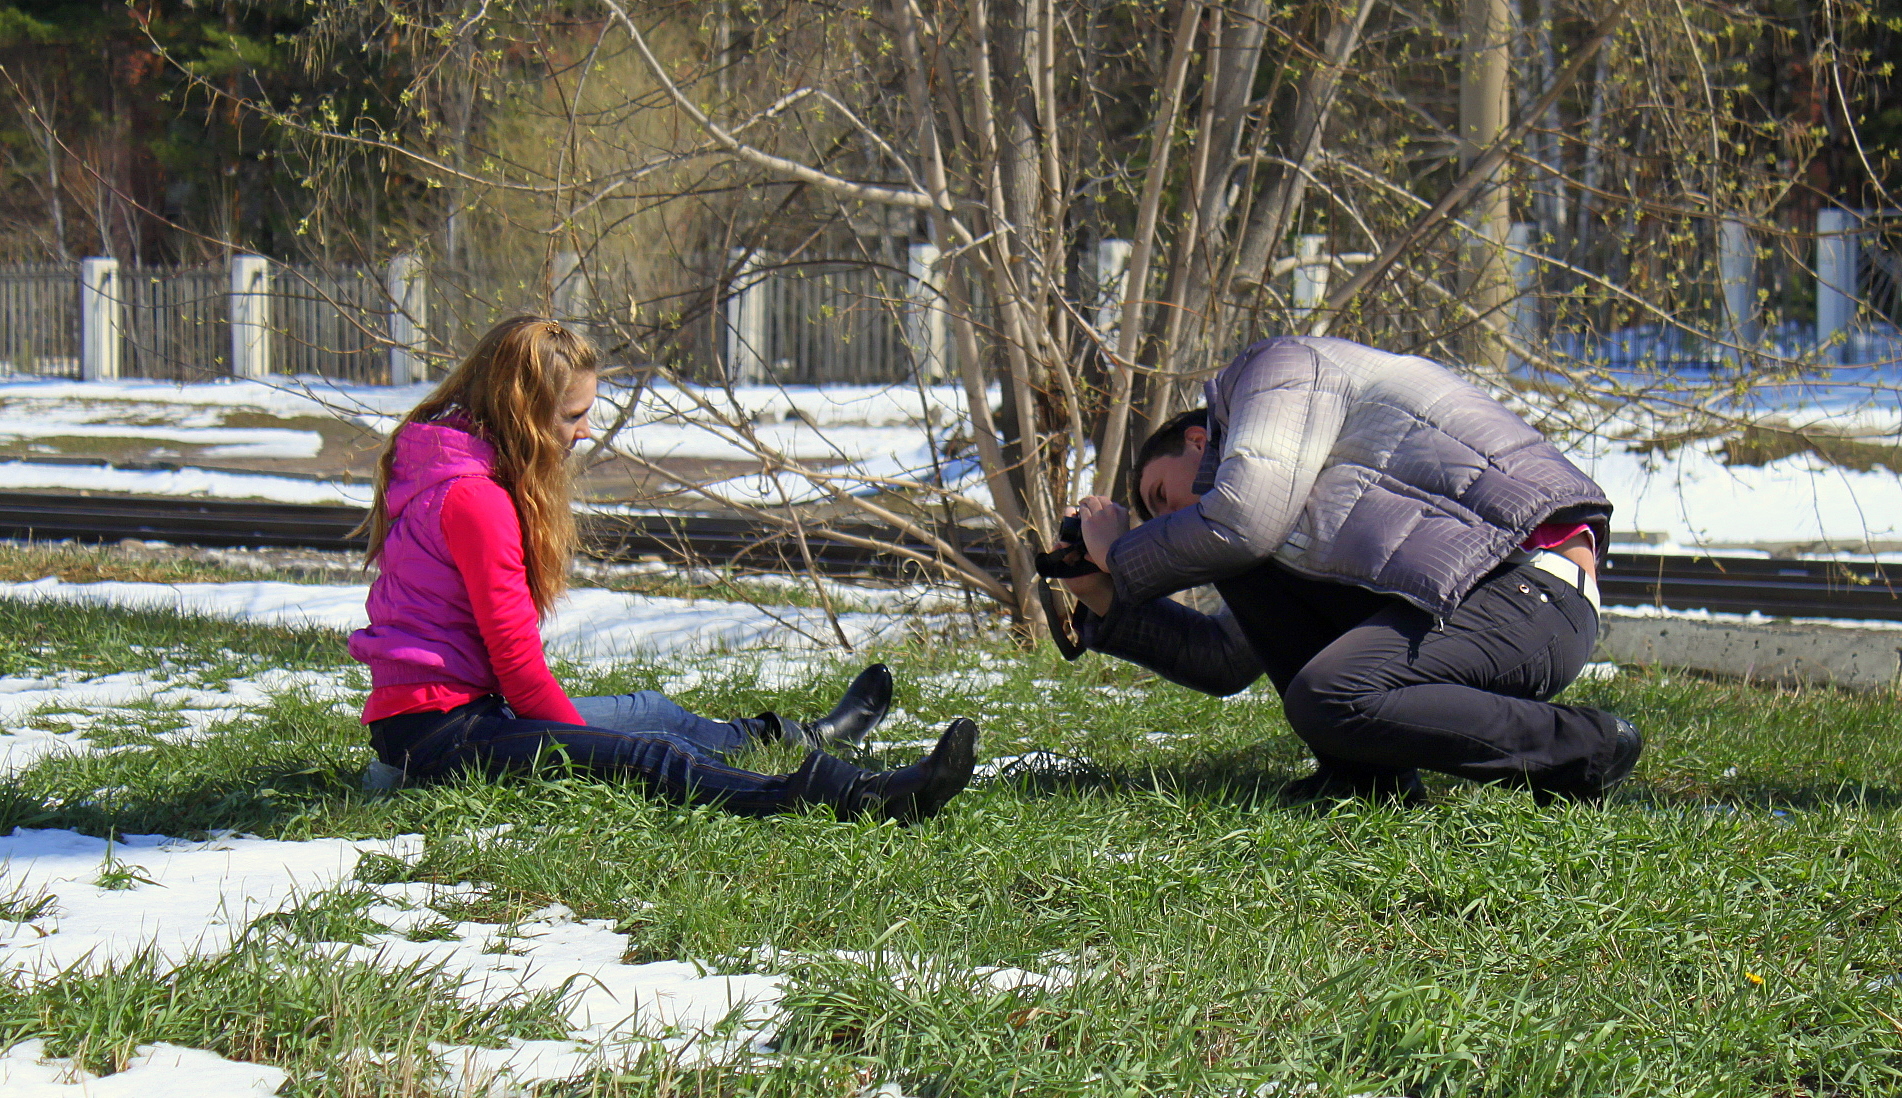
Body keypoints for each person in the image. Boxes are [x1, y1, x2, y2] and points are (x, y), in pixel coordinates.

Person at [349, 315, 977, 822]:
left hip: (461, 715)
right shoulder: (476, 500)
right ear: (523, 414)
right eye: (572, 416)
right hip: (438, 736)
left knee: (656, 710)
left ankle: (802, 738)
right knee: (648, 755)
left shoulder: (454, 470)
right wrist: (590, 750)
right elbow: (517, 668)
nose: (585, 432)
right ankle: (856, 795)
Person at [1059, 335, 1641, 805]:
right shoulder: (1302, 508)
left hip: (1528, 588)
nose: (1168, 518)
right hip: (1465, 599)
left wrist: (1120, 553)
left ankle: (1586, 748)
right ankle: (1368, 782)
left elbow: (1244, 520)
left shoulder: (1278, 366)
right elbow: (1224, 657)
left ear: (1196, 439)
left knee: (1330, 692)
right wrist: (1104, 594)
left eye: (1162, 495)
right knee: (1297, 645)